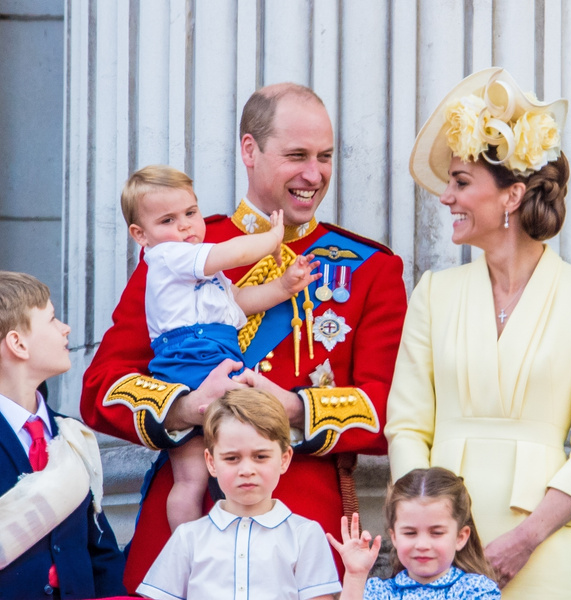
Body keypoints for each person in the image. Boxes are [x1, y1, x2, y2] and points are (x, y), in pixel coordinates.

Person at [81, 82, 407, 593]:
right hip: (188, 518)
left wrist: (296, 408)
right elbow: (101, 386)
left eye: (324, 157)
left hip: (300, 523)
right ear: (249, 150)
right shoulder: (183, 246)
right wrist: (185, 407)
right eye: (296, 155)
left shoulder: (370, 269)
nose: (313, 174)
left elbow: (389, 410)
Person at [384, 67, 571, 599]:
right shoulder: (433, 291)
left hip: (541, 542)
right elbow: (405, 425)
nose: (446, 198)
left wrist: (528, 537)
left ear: (512, 196)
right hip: (438, 549)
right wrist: (423, 528)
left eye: (462, 182)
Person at [121, 164, 320, 531]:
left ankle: (209, 546)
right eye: (168, 219)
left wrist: (284, 287)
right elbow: (230, 253)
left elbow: (239, 302)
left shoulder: (198, 269)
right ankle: (188, 548)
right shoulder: (169, 256)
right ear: (141, 234)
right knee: (206, 473)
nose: (184, 226)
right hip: (191, 360)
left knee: (199, 477)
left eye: (191, 213)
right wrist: (274, 237)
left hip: (209, 355)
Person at [137, 389, 341, 600]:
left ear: (284, 459)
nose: (246, 470)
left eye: (260, 456)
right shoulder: (188, 537)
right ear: (211, 462)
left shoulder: (304, 535)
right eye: (232, 458)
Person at [0, 271, 126, 599]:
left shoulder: (73, 435)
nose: (65, 328)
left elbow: (99, 549)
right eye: (53, 320)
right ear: (18, 343)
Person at [327, 467, 500, 599]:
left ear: (460, 537)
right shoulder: (379, 592)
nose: (422, 545)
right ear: (394, 536)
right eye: (410, 533)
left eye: (437, 533)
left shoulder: (476, 590)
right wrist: (355, 575)